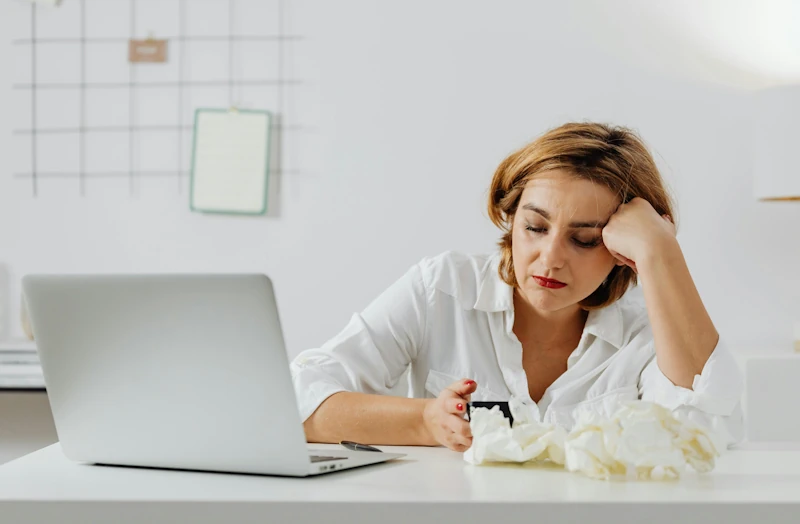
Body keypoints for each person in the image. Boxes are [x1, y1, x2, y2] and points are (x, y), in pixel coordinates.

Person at [291, 122, 743, 452]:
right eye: (534, 227)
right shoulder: (442, 289)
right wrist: (425, 421)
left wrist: (661, 253)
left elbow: (706, 432)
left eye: (584, 239)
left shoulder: (647, 330)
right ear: (511, 218)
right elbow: (298, 397)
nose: (550, 258)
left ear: (621, 248)